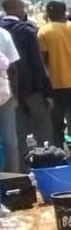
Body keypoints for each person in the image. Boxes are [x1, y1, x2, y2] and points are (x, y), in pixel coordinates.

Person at [1, 0, 53, 167]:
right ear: (16, 9)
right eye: (22, 8)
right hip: (32, 89)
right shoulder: (27, 30)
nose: (24, 11)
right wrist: (47, 92)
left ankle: (22, 168)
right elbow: (37, 64)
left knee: (17, 132)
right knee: (43, 127)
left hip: (10, 91)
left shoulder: (2, 30)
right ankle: (46, 163)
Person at [38, 0, 71, 161]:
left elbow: (43, 61)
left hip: (57, 85)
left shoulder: (44, 32)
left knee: (57, 124)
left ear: (49, 12)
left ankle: (59, 156)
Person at [0, 25, 20, 172]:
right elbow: (13, 68)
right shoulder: (3, 34)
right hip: (4, 93)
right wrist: (15, 95)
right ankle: (13, 180)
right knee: (10, 140)